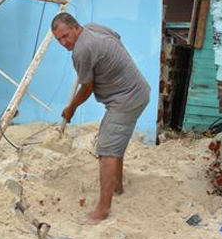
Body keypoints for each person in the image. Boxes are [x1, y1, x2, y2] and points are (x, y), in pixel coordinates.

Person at [51, 12, 150, 225]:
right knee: (113, 137)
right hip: (136, 90)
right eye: (58, 40)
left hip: (127, 98)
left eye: (66, 36)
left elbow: (87, 88)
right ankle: (117, 186)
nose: (63, 42)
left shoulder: (82, 50)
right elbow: (117, 36)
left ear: (76, 27)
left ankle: (102, 210)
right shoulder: (94, 28)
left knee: (106, 149)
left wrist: (71, 108)